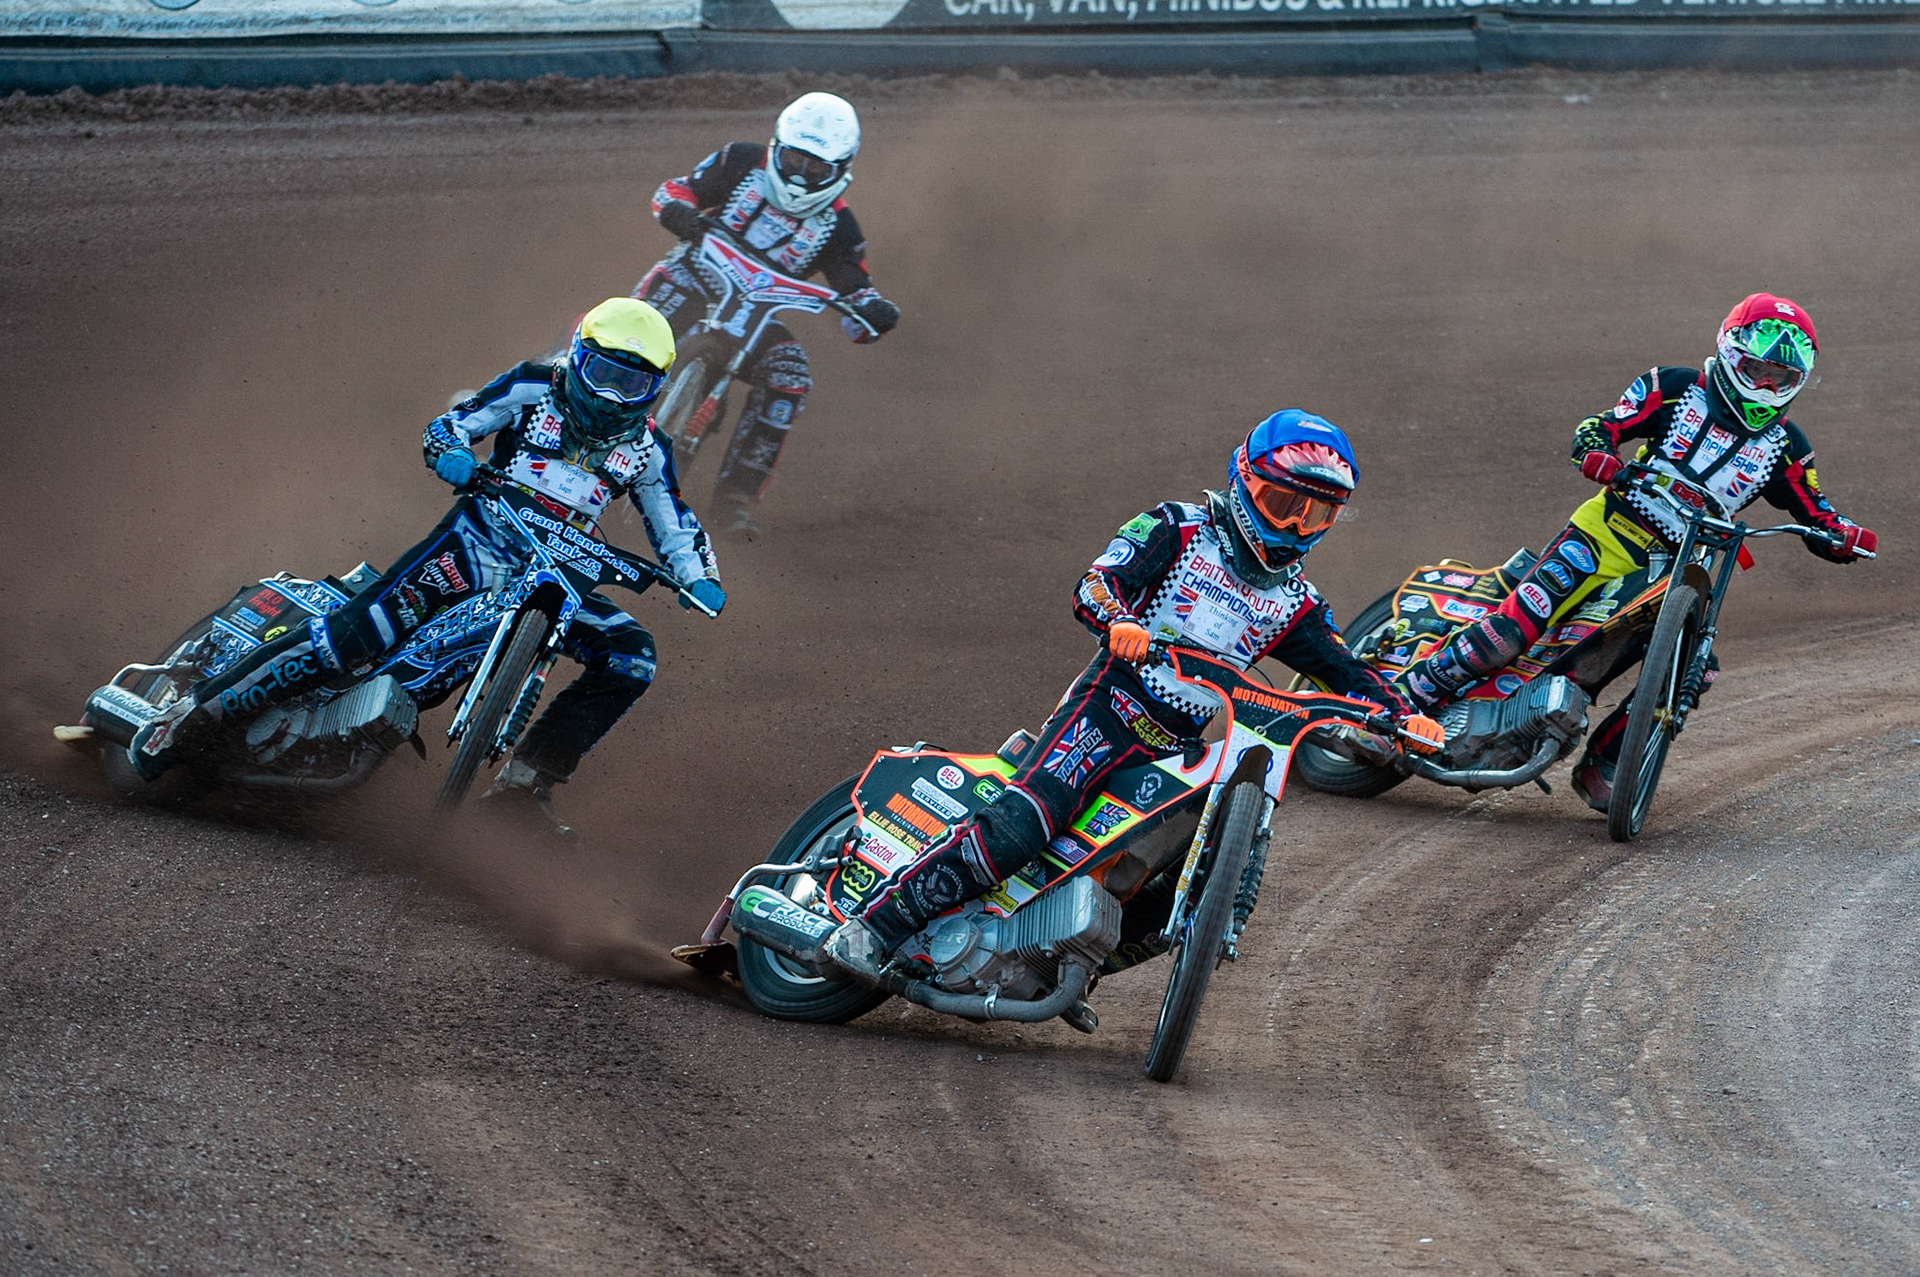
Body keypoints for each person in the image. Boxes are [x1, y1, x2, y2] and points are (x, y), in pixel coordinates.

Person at [823, 411, 1447, 983]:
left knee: (1174, 879)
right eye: (1281, 502)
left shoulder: (1297, 603)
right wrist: (1117, 620)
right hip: (1109, 707)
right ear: (1242, 479)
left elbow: (1347, 669)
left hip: (1176, 747)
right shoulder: (1177, 528)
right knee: (1030, 820)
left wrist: (1405, 717)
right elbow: (1096, 583)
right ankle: (874, 930)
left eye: (1314, 515)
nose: (1292, 526)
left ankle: (1063, 962)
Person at [129, 297, 727, 828]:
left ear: (658, 390)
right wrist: (450, 452)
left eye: (635, 384)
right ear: (578, 357)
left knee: (632, 657)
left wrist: (699, 576)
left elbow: (674, 523)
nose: (613, 395)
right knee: (354, 636)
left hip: (561, 579)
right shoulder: (530, 388)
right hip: (475, 546)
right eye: (604, 373)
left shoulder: (650, 451)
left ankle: (524, 787)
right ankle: (187, 721)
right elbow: (454, 423)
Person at [1392, 292, 1876, 811]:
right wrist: (1598, 451)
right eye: (1756, 368)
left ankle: (1607, 761)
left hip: (1680, 566)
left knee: (1697, 667)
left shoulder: (1787, 447)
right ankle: (1406, 697)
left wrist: (1845, 535)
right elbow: (1601, 425)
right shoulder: (1674, 387)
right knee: (1517, 628)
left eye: (1778, 377)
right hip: (1607, 532)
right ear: (1731, 353)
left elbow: (1816, 510)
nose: (1764, 385)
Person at [635, 90, 901, 536]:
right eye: (795, 158)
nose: (800, 174)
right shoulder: (740, 160)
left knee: (789, 372)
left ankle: (735, 498)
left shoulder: (840, 228)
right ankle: (549, 381)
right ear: (777, 146)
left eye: (816, 167)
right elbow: (675, 191)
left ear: (841, 169)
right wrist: (680, 212)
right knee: (624, 332)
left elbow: (855, 294)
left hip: (754, 317)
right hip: (691, 278)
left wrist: (873, 313)